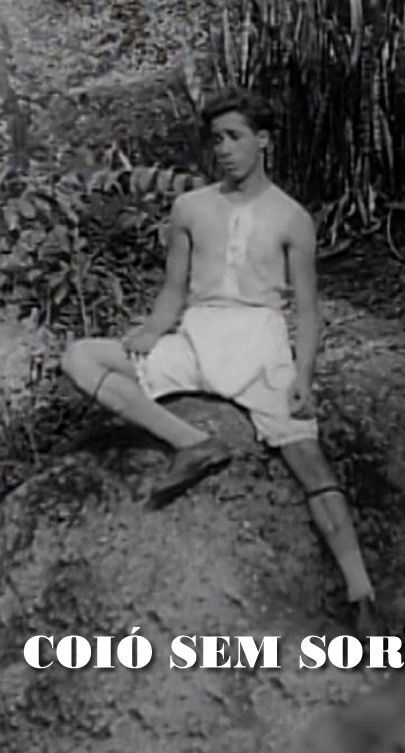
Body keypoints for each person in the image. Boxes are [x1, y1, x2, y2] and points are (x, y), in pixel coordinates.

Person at [62, 88, 381, 635]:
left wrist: (303, 377)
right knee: (79, 356)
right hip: (195, 336)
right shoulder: (190, 207)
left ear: (264, 140)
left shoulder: (291, 217)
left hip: (259, 344)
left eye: (235, 137)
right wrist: (152, 329)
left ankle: (362, 594)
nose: (224, 149)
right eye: (216, 140)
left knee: (310, 463)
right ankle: (191, 443)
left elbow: (308, 309)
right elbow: (174, 288)